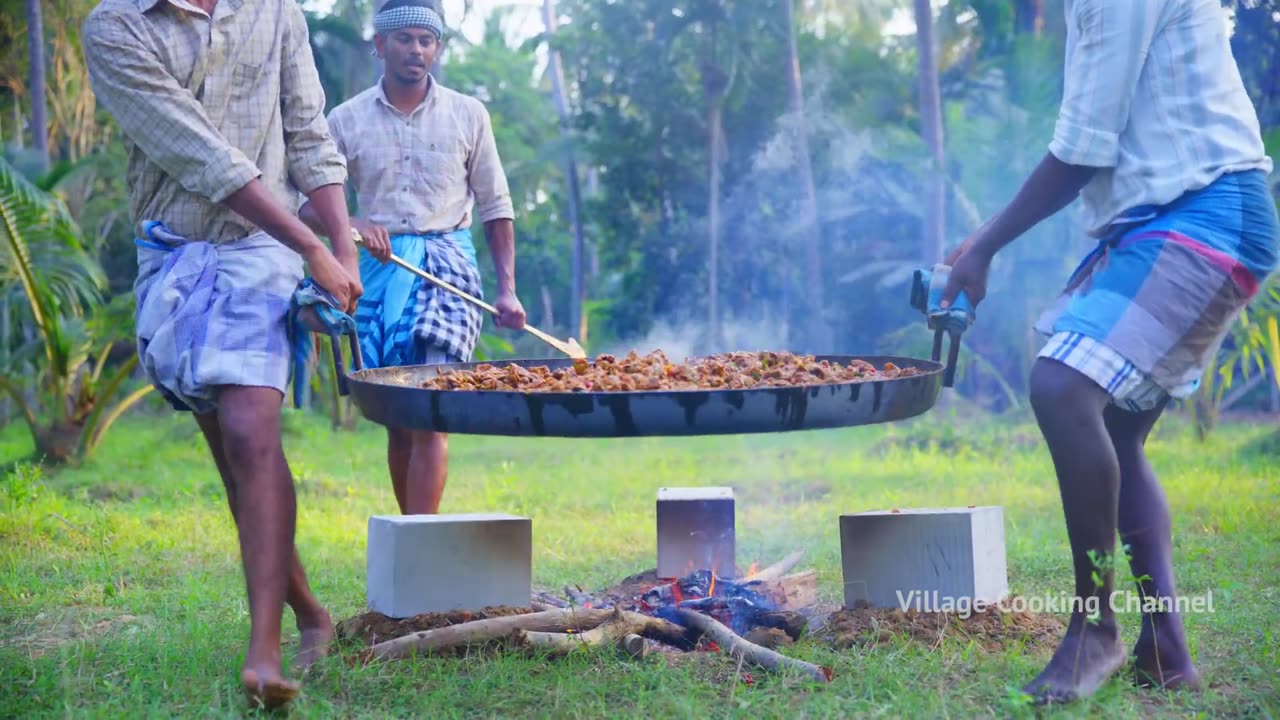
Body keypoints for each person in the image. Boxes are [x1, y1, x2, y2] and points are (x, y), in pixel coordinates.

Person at [940, 0, 1279, 705]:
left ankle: (1095, 630)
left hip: (1206, 211)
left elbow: (1082, 148)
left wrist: (982, 246)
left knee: (1063, 386)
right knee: (1117, 431)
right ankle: (1166, 652)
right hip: (1171, 215)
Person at [82, 0, 362, 709]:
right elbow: (196, 151)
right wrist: (312, 246)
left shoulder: (276, 11)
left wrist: (342, 245)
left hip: (260, 251)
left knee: (248, 428)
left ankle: (264, 651)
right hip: (175, 254)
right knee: (235, 450)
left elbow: (308, 131)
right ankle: (312, 616)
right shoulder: (117, 27)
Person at [299, 0, 527, 516]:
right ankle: (411, 534)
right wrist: (353, 226)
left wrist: (507, 288)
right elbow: (306, 205)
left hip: (447, 268)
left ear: (437, 49)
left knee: (433, 406)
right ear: (380, 45)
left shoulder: (469, 114)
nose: (416, 50)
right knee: (400, 413)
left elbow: (496, 205)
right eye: (404, 39)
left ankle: (421, 536)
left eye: (426, 41)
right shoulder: (346, 119)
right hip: (377, 275)